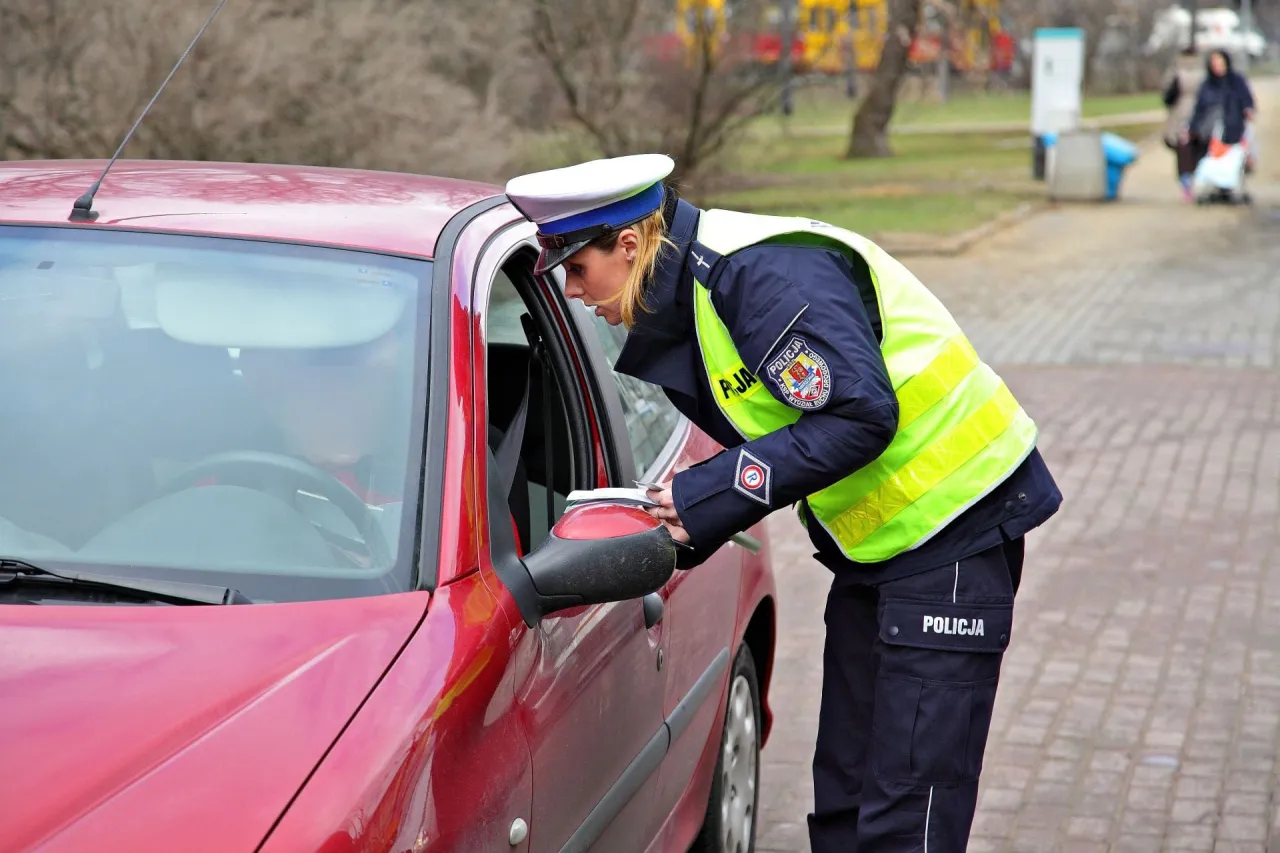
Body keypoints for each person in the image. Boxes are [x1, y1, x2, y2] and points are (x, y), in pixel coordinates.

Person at [504, 154, 1063, 852]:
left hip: (957, 531)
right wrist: (680, 521)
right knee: (846, 796)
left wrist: (706, 494)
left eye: (577, 271)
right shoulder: (694, 298)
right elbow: (783, 434)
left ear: (628, 244)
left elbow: (860, 417)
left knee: (906, 816)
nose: (576, 294)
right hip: (880, 551)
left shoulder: (755, 278)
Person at [1182, 49, 1257, 184]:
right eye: (1214, 63)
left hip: (1233, 126)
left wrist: (1248, 109)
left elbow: (1246, 99)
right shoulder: (1207, 85)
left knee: (1243, 149)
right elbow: (1199, 108)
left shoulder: (1236, 81)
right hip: (1209, 130)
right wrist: (1191, 128)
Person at [1161, 46, 1206, 201]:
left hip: (1179, 116)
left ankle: (1186, 185)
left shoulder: (1176, 72)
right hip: (1201, 116)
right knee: (1197, 150)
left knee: (1183, 152)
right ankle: (1197, 180)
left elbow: (1167, 97)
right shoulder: (1203, 72)